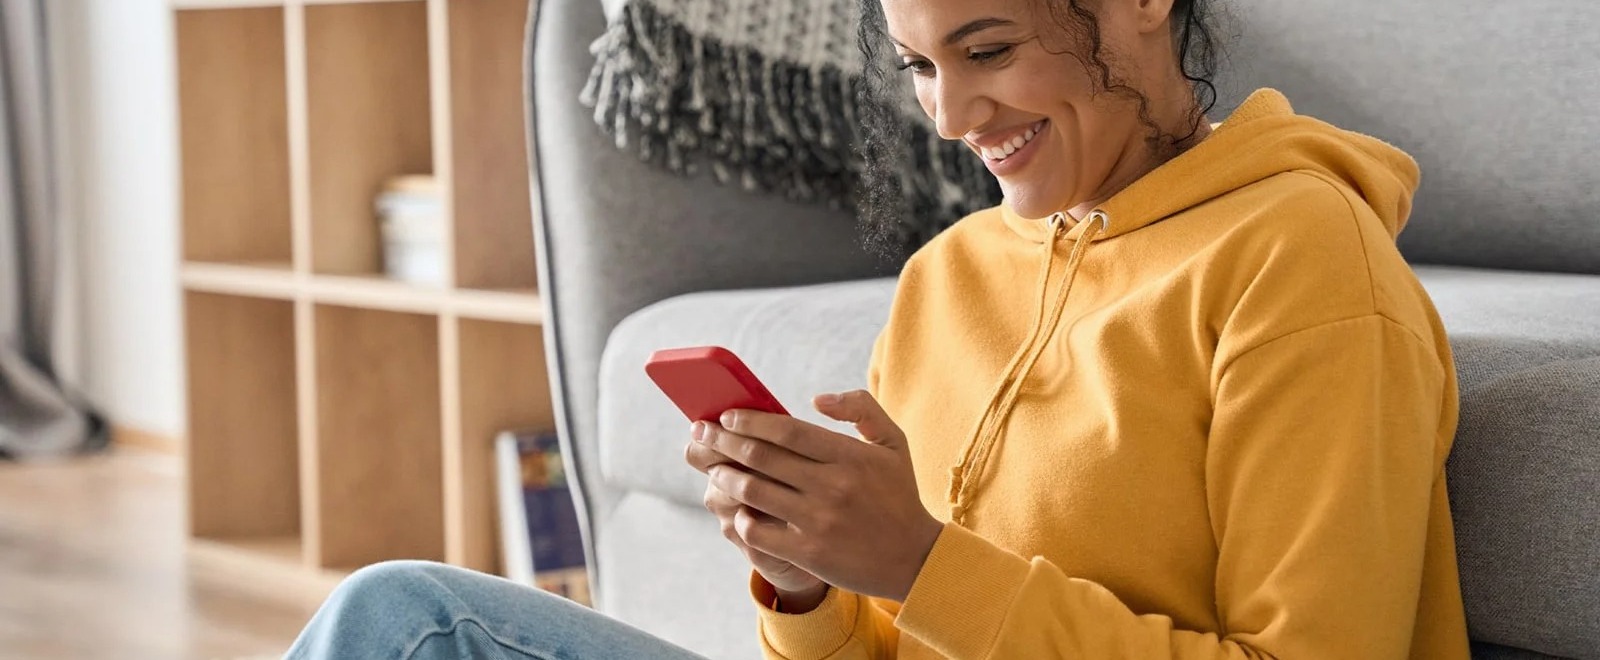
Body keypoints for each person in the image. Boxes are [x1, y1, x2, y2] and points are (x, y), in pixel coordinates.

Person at [287, 0, 1472, 657]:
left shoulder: (1299, 264)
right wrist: (802, 585)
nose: (950, 116)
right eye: (917, 64)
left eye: (988, 49)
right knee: (399, 619)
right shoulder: (949, 275)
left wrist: (922, 564)